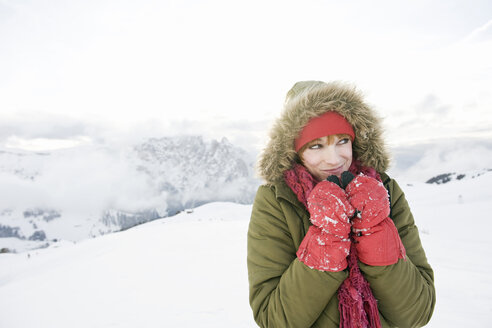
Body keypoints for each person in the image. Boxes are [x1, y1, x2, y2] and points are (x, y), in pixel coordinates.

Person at [247, 81, 435, 328]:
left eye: (342, 141)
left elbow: (417, 314)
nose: (334, 159)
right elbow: (274, 319)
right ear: (295, 151)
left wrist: (374, 231)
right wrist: (327, 239)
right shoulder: (276, 202)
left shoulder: (383, 190)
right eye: (316, 145)